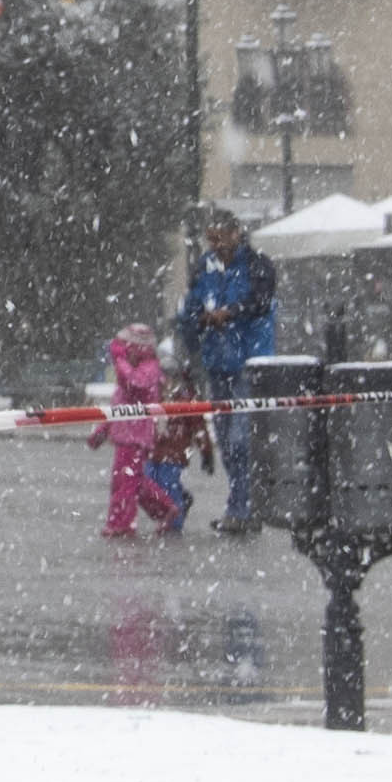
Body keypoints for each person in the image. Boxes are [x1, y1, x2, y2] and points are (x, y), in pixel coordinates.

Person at [177, 207, 279, 532]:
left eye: (220, 238)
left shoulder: (257, 265)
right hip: (218, 363)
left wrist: (230, 313)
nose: (216, 246)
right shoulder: (204, 267)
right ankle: (243, 504)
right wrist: (198, 323)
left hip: (249, 363)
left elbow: (260, 301)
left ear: (236, 233)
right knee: (226, 439)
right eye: (212, 240)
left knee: (241, 440)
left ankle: (244, 507)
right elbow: (191, 309)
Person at [97, 323, 188, 540]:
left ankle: (122, 522)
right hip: (125, 435)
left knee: (126, 482)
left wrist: (120, 360)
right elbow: (119, 406)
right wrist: (103, 429)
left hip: (136, 437)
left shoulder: (149, 368)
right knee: (133, 481)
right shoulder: (132, 368)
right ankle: (164, 509)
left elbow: (134, 384)